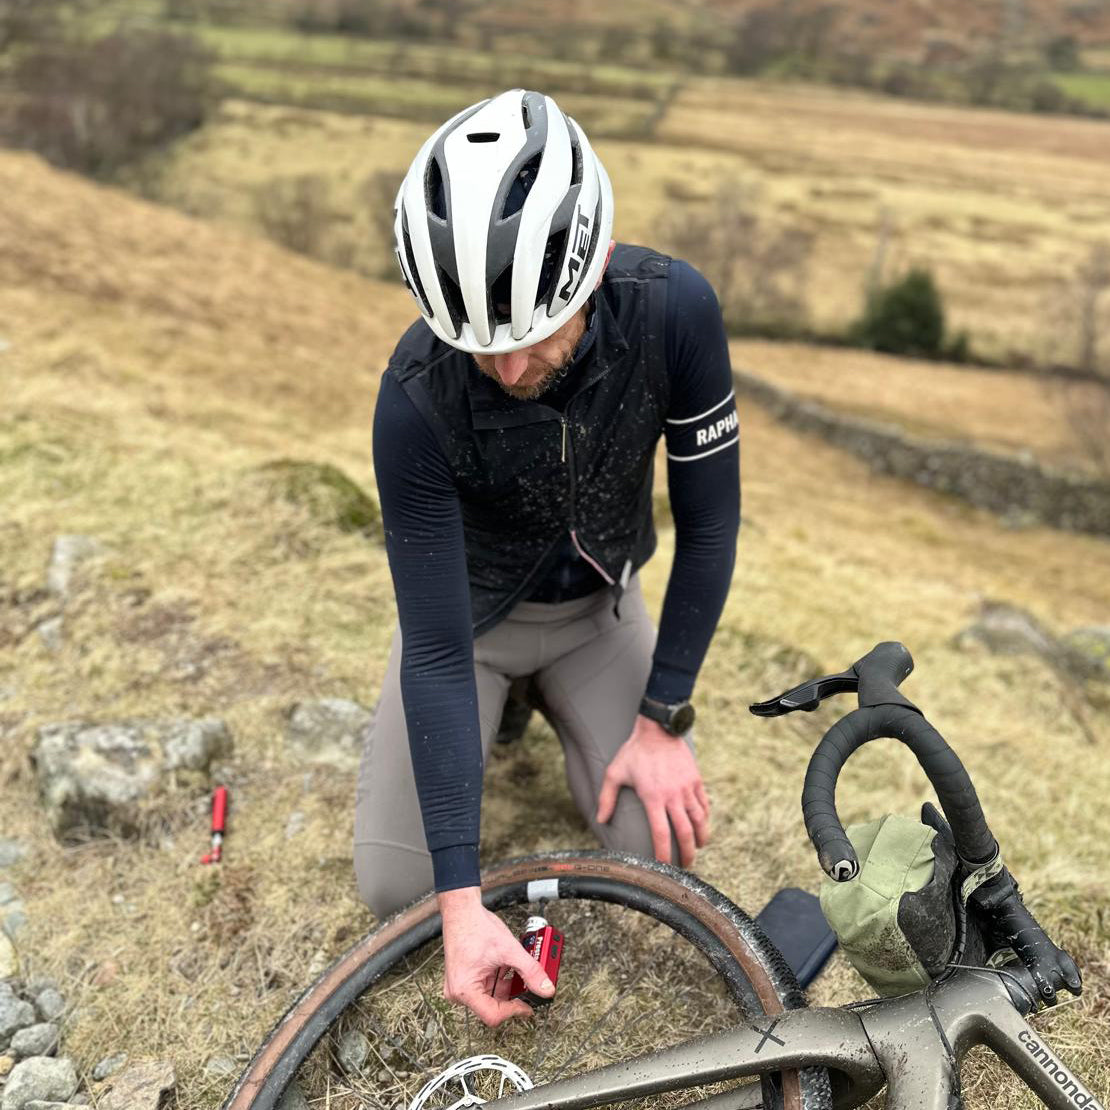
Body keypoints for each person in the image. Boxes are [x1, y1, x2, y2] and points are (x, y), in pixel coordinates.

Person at [354, 88, 740, 1028]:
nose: (510, 372)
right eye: (479, 348)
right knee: (393, 886)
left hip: (599, 614)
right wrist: (458, 906)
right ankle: (504, 711)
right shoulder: (414, 396)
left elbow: (712, 525)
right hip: (473, 631)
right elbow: (438, 649)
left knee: (658, 843)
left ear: (595, 265)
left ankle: (558, 709)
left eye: (532, 335)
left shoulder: (674, 312)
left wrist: (662, 718)